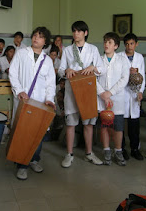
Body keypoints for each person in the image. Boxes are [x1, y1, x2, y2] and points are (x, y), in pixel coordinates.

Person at [8, 26, 56, 180]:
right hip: (24, 100)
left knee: (38, 133)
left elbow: (50, 83)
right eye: (35, 35)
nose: (36, 38)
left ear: (45, 42)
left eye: (40, 36)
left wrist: (49, 99)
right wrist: (19, 90)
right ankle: (22, 165)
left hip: (40, 102)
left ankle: (34, 159)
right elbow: (13, 73)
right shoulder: (22, 53)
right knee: (23, 132)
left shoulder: (47, 60)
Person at [58, 20, 106, 168]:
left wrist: (93, 67)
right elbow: (60, 69)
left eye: (79, 31)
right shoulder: (67, 50)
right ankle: (69, 154)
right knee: (71, 123)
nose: (76, 34)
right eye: (74, 31)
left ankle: (89, 153)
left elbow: (102, 68)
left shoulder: (93, 49)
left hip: (88, 91)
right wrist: (67, 71)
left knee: (88, 124)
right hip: (72, 90)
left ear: (85, 33)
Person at [96, 32, 129, 166]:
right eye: (105, 42)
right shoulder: (98, 59)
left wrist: (110, 92)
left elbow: (124, 79)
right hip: (102, 98)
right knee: (104, 126)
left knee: (118, 127)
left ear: (116, 46)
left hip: (117, 98)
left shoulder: (122, 60)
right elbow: (94, 78)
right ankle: (106, 151)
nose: (106, 45)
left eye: (109, 42)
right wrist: (102, 93)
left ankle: (118, 151)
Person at [119, 33, 146, 161]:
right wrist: (127, 72)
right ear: (124, 45)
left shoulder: (140, 57)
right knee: (121, 125)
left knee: (134, 124)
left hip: (134, 94)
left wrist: (140, 91)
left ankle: (135, 149)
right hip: (123, 93)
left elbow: (143, 76)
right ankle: (122, 149)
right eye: (127, 44)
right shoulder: (119, 56)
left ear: (136, 44)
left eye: (132, 43)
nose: (130, 46)